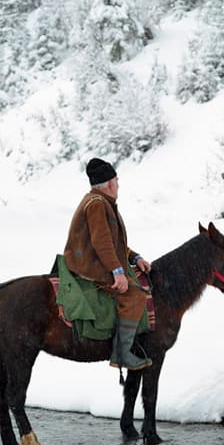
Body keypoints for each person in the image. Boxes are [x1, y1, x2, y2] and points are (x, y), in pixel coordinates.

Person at [63, 158, 153, 371]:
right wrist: (117, 271)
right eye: (117, 181)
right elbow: (101, 242)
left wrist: (134, 258)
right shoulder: (97, 204)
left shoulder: (99, 201)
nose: (118, 185)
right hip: (89, 265)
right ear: (111, 184)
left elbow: (114, 243)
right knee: (135, 296)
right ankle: (121, 354)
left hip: (93, 259)